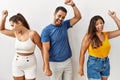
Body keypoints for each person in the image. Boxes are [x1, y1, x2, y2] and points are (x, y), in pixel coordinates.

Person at [41, 0, 81, 80]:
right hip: (55, 64)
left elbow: (78, 17)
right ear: (54, 14)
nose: (60, 19)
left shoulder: (64, 24)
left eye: (63, 17)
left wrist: (73, 5)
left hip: (68, 62)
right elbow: (45, 50)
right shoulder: (46, 30)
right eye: (59, 16)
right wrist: (47, 67)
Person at [0, 10, 43, 80]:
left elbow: (42, 49)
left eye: (12, 25)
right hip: (16, 64)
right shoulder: (15, 33)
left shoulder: (33, 34)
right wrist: (3, 17)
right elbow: (1, 30)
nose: (12, 28)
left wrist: (46, 65)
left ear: (19, 23)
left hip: (30, 65)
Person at [78, 10, 120, 80]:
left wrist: (114, 17)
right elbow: (82, 53)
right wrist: (80, 67)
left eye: (101, 23)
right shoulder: (88, 36)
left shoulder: (106, 35)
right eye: (97, 24)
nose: (100, 25)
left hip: (106, 63)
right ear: (93, 26)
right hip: (93, 64)